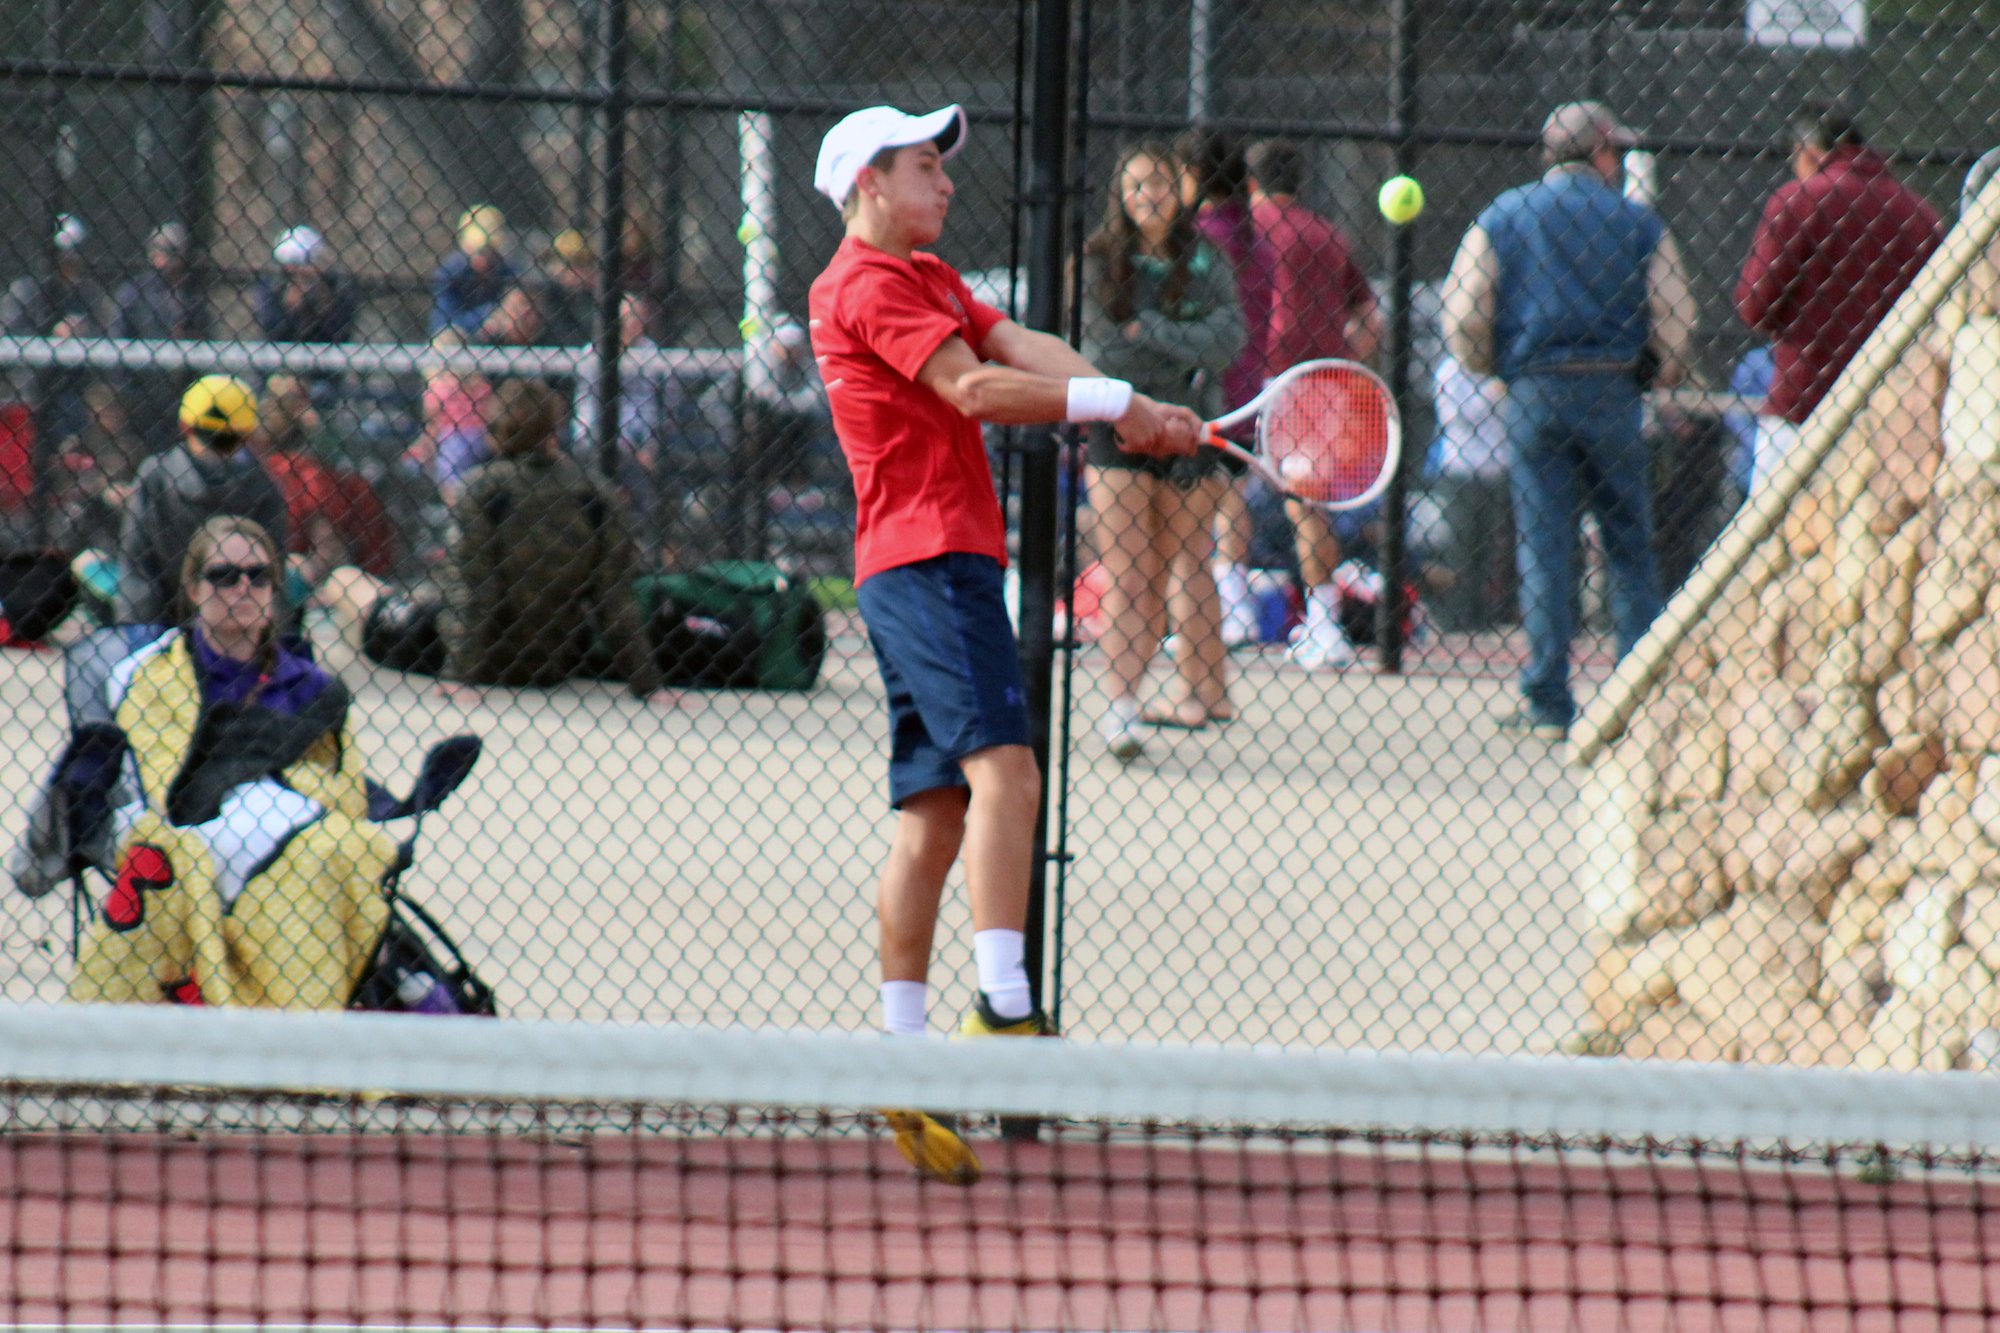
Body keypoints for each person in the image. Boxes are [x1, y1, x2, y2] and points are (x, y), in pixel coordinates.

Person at [806, 103, 1200, 1184]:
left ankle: (900, 1050)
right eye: (925, 167)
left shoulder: (930, 280)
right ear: (870, 183)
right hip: (927, 562)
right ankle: (1003, 1011)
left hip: (926, 565)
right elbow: (974, 391)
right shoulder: (865, 283)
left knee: (933, 811)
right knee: (1009, 775)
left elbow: (1019, 347)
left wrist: (1133, 407)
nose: (944, 184)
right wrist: (1116, 402)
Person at [1442, 100, 1697, 738]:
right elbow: (1676, 314)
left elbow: (1467, 311)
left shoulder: (1504, 215)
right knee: (1628, 543)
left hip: (1535, 391)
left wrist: (1495, 366)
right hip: (1612, 390)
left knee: (1544, 545)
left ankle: (1548, 701)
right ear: (1603, 153)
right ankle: (1635, 696)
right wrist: (1656, 371)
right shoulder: (1637, 222)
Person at [69, 516, 399, 1008]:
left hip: (298, 826)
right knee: (313, 853)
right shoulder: (152, 674)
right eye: (224, 575)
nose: (243, 587)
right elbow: (164, 780)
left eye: (259, 575)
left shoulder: (314, 687)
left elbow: (342, 785)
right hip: (193, 825)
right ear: (193, 588)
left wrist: (289, 787)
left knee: (343, 847)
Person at [1080, 140, 1245, 755]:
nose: (1149, 194)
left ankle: (1200, 691)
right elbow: (1103, 353)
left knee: (1179, 566)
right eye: (1136, 185)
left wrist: (1150, 329)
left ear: (1183, 191)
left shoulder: (1208, 258)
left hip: (1189, 427)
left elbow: (1228, 340)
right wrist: (1183, 344)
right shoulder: (1098, 261)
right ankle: (1122, 708)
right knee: (1128, 574)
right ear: (1121, 197)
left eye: (1160, 182)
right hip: (1120, 424)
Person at [1735, 103, 1941, 492]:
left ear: (1808, 153)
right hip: (1892, 406)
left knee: (1775, 530)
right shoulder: (1919, 213)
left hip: (1804, 397)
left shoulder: (1797, 201)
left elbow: (1754, 305)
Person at [1237, 139, 1384, 670]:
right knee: (1310, 503)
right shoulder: (1328, 235)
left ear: (1249, 184)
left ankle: (1232, 612)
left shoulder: (1243, 231)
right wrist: (1339, 358)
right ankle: (1325, 628)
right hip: (1316, 383)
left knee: (1227, 487)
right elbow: (1372, 317)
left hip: (1255, 376)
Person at [435, 378, 668, 701]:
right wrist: (649, 684)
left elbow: (473, 587)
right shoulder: (595, 493)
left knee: (350, 586)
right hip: (551, 658)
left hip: (468, 654)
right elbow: (612, 598)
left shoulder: (480, 489)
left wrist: (457, 675)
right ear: (555, 429)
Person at [1174, 129, 1265, 648]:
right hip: (1244, 388)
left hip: (1207, 386)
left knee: (1197, 514)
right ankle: (1233, 611)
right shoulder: (1252, 235)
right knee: (1229, 498)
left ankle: (1214, 618)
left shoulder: (1205, 237)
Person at [115, 374, 290, 625]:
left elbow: (137, 566)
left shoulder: (157, 473)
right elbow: (275, 570)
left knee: (91, 563)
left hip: (165, 617)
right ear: (248, 432)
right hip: (243, 618)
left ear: (185, 425)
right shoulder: (263, 483)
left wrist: (141, 637)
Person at [1420, 351, 1514, 633]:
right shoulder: (1451, 368)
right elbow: (1457, 414)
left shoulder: (1498, 363)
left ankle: (1480, 618)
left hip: (1495, 470)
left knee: (1488, 551)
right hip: (1460, 471)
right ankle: (1454, 619)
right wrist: (1491, 394)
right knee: (1459, 550)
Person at [2, 213, 103, 452]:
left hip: (72, 394)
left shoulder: (86, 296)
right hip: (29, 390)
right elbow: (7, 336)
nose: (70, 260)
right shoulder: (25, 291)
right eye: (64, 254)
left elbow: (103, 334)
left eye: (74, 253)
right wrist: (50, 332)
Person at [111, 222, 210, 455]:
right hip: (142, 392)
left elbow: (207, 339)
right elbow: (118, 343)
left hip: (182, 393)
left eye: (175, 253)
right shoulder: (134, 293)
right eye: (162, 251)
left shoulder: (192, 296)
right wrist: (128, 392)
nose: (167, 260)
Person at [253, 226, 359, 345]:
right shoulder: (271, 284)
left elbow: (340, 332)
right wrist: (292, 308)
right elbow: (273, 329)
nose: (299, 273)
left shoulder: (335, 285)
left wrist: (324, 304)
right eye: (291, 265)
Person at [430, 205, 518, 338]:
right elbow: (441, 323)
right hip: (463, 340)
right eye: (478, 251)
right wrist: (486, 315)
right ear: (465, 246)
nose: (485, 257)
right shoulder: (450, 272)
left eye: (491, 250)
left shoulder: (509, 272)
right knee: (446, 338)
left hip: (502, 340)